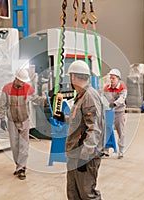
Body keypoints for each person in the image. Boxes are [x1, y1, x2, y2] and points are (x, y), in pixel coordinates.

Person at [54, 60, 105, 200]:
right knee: (73, 192)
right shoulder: (81, 96)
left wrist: (85, 156)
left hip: (84, 156)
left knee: (87, 194)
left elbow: (94, 128)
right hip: (75, 154)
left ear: (74, 77)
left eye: (70, 76)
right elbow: (78, 121)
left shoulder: (89, 96)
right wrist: (63, 118)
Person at [0, 68, 46, 180]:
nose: (23, 83)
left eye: (24, 81)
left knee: (24, 145)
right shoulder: (7, 88)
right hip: (12, 120)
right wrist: (1, 119)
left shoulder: (28, 88)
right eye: (21, 81)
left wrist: (46, 100)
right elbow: (2, 104)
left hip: (24, 120)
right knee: (14, 145)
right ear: (16, 79)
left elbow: (37, 99)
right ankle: (18, 165)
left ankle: (21, 168)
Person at [103, 68, 127, 159]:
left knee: (120, 131)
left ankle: (121, 151)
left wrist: (115, 103)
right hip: (109, 112)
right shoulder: (106, 88)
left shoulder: (122, 88)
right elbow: (103, 97)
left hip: (119, 113)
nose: (111, 80)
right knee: (106, 130)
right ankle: (105, 150)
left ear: (118, 79)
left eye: (113, 78)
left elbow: (122, 98)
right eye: (110, 78)